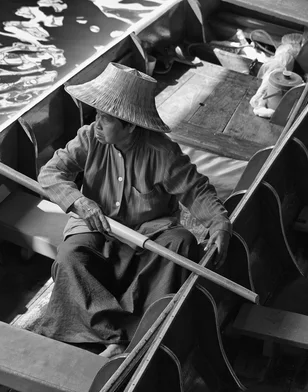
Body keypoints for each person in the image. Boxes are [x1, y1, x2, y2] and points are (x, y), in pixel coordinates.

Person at [35, 62, 231, 358]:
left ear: (129, 124)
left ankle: (119, 333)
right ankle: (119, 333)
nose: (97, 123)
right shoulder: (89, 138)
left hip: (148, 235)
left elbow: (196, 190)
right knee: (69, 258)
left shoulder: (162, 153)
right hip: (95, 228)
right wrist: (79, 201)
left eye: (106, 118)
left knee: (182, 243)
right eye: (97, 116)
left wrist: (220, 224)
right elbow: (50, 173)